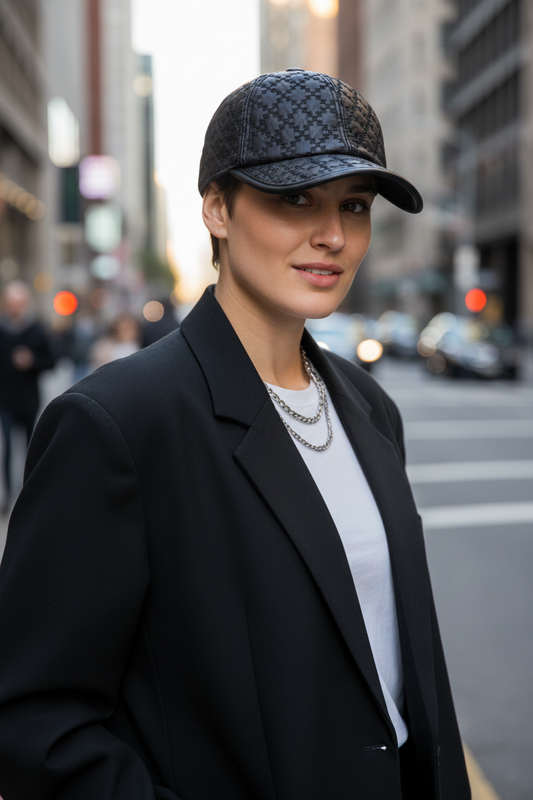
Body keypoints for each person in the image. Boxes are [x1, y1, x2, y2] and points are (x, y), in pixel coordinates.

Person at [0, 70, 471, 799]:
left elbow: (403, 675)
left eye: (354, 204)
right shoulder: (117, 425)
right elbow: (35, 721)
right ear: (217, 208)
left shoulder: (373, 409)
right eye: (294, 200)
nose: (333, 235)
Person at [0, 280, 55, 515]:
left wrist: (32, 361)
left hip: (28, 399)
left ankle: (29, 492)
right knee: (8, 446)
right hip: (5, 399)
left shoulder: (37, 330)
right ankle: (7, 494)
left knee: (31, 445)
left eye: (19, 303)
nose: (15, 308)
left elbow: (51, 361)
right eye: (11, 303)